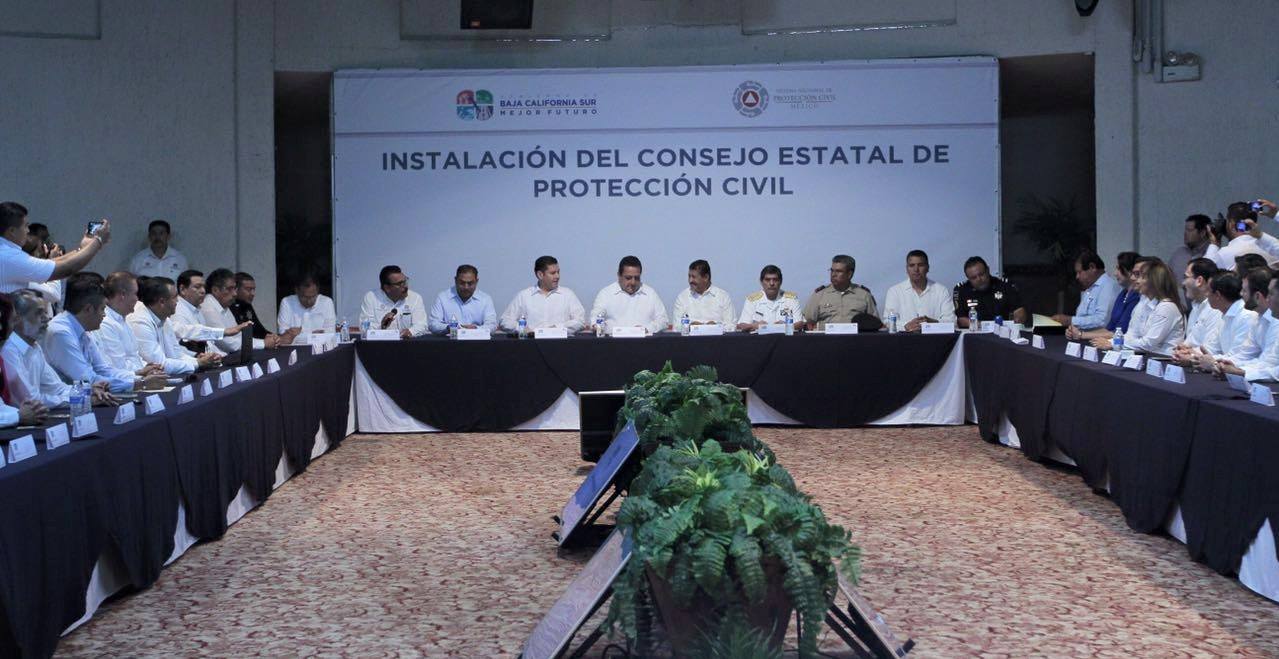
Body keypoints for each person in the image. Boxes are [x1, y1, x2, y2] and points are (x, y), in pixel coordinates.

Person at [42, 275, 167, 393]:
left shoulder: (82, 327)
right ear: (88, 309)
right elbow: (89, 380)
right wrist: (140, 383)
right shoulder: (60, 333)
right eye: (102, 309)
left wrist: (138, 375)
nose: (104, 314)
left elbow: (103, 370)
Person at [2, 289, 115, 407]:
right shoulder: (8, 350)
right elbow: (31, 400)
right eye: (39, 313)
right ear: (17, 319)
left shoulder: (34, 347)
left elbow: (58, 388)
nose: (47, 318)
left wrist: (87, 392)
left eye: (46, 312)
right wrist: (82, 399)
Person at [0, 201, 111, 294]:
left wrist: (82, 249)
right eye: (25, 226)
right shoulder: (8, 256)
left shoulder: (6, 253)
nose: (28, 231)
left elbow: (53, 263)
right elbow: (65, 269)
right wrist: (98, 241)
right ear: (12, 231)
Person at [129, 277, 220, 375]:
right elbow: (159, 365)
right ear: (162, 302)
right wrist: (198, 363)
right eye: (174, 297)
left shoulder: (165, 319)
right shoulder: (140, 322)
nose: (177, 301)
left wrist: (198, 360)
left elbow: (177, 355)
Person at [1090, 261, 1185, 356]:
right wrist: (1111, 342)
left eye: (1142, 277)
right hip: (1146, 355)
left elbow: (1148, 343)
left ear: (1154, 282)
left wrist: (1113, 343)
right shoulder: (1144, 303)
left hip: (1164, 359)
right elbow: (1131, 335)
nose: (1137, 281)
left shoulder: (1167, 307)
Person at [1182, 271, 1260, 371]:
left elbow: (1238, 356)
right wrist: (1189, 353)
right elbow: (1212, 348)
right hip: (1227, 369)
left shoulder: (1246, 315)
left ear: (1217, 295)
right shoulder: (1223, 313)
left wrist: (1196, 358)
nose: (1206, 294)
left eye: (1208, 291)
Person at [94, 271, 166, 378]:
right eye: (135, 294)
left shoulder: (123, 319)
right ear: (122, 295)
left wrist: (149, 367)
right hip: (126, 381)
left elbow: (134, 357)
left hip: (136, 377)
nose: (137, 299)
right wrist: (143, 372)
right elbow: (119, 367)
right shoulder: (105, 323)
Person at [1217, 271, 1279, 381]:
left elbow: (1271, 365)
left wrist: (1240, 372)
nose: (1267, 298)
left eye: (1270, 294)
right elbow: (1249, 355)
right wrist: (1230, 366)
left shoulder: (1275, 322)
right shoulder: (1256, 317)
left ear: (1257, 296)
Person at [499, 256, 586, 332]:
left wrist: (557, 328)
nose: (557, 276)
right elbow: (505, 321)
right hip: (531, 343)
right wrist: (522, 329)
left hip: (561, 343)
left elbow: (580, 321)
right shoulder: (524, 296)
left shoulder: (568, 295)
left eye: (558, 272)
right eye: (553, 273)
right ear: (540, 275)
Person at [200, 268, 280, 351]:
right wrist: (263, 343)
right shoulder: (208, 308)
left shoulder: (223, 305)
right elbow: (229, 344)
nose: (235, 294)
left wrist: (268, 340)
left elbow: (238, 336)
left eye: (235, 288)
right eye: (230, 289)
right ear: (215, 290)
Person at [1069, 252, 1143, 341]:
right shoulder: (1123, 294)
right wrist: (1078, 333)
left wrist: (1081, 334)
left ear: (1130, 271)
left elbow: (1120, 331)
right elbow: (1109, 328)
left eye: (1118, 269)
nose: (1115, 273)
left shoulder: (1136, 296)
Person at [173, 269, 248, 354]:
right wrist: (224, 332)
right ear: (182, 289)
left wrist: (221, 356)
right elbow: (185, 343)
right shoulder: (177, 311)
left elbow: (208, 343)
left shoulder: (196, 308)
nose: (203, 291)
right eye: (197, 287)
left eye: (203, 287)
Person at [589, 256, 668, 334]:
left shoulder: (650, 294)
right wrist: (596, 325)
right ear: (619, 275)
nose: (633, 282)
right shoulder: (606, 294)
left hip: (643, 341)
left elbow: (663, 320)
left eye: (636, 278)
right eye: (628, 278)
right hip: (613, 341)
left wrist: (647, 329)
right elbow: (596, 316)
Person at [881, 250, 956, 332]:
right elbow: (888, 321)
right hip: (904, 338)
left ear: (927, 268)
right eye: (912, 265)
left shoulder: (941, 291)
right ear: (907, 269)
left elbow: (952, 322)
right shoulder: (894, 291)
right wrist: (906, 326)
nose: (916, 269)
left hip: (934, 338)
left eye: (920, 265)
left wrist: (934, 323)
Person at [802, 254, 879, 330]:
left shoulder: (864, 295)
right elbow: (807, 323)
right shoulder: (819, 295)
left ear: (849, 274)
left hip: (855, 337)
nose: (833, 274)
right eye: (832, 270)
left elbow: (875, 323)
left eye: (838, 271)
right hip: (826, 337)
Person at [1054, 250, 1121, 331]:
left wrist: (1070, 320)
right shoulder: (1090, 288)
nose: (1077, 277)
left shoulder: (1108, 286)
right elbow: (1082, 316)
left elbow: (1102, 321)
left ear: (1092, 267)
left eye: (1079, 272)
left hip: (1098, 338)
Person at [952, 256, 1026, 328]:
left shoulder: (1005, 285)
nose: (979, 279)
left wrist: (1018, 319)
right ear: (968, 278)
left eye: (981, 274)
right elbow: (960, 319)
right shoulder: (961, 290)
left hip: (1003, 330)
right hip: (975, 331)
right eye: (973, 278)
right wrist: (985, 326)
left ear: (988, 270)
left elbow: (1019, 310)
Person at [1171, 258, 1223, 358]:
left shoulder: (1216, 309)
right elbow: (1190, 343)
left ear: (1199, 280)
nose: (1183, 283)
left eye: (1186, 277)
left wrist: (1188, 353)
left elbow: (1210, 350)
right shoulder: (1195, 306)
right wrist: (1183, 349)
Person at [359, 265, 429, 338]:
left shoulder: (415, 298)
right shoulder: (371, 298)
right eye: (400, 284)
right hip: (380, 343)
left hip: (406, 343)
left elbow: (422, 325)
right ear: (387, 288)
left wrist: (410, 332)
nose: (405, 286)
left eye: (405, 281)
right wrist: (381, 327)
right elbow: (364, 329)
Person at [1205, 202, 1279, 270]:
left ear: (1231, 224)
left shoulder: (1223, 254)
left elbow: (1206, 271)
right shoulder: (1271, 248)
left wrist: (1214, 244)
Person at [428, 264, 497, 334]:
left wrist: (476, 328)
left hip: (477, 339)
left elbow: (492, 325)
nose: (466, 287)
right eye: (462, 283)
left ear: (477, 281)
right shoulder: (443, 298)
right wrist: (449, 327)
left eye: (470, 283)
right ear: (455, 280)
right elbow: (433, 324)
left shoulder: (485, 299)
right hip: (450, 339)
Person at [736, 265, 804, 331]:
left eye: (775, 280)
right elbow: (741, 325)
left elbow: (800, 324)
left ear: (781, 282)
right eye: (767, 280)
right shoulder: (752, 300)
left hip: (784, 337)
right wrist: (755, 326)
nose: (771, 283)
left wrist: (785, 326)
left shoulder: (791, 299)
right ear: (761, 282)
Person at [671, 259, 735, 327]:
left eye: (693, 277)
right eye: (689, 276)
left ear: (706, 277)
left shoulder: (723, 297)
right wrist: (691, 327)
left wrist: (715, 327)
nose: (690, 280)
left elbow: (731, 326)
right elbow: (676, 327)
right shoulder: (682, 298)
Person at [277, 273, 337, 341]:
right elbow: (283, 334)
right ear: (297, 291)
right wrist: (313, 335)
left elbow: (331, 334)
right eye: (305, 297)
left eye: (313, 297)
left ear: (317, 291)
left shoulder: (326, 302)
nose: (309, 301)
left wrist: (299, 333)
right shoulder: (287, 302)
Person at [1169, 214, 1214, 298]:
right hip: (1178, 301)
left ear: (1202, 233)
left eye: (1189, 230)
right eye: (1185, 230)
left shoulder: (1212, 253)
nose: (1185, 234)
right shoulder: (1178, 254)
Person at [229, 272, 270, 339]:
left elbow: (260, 331)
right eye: (248, 289)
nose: (253, 293)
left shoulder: (247, 305)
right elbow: (238, 337)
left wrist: (275, 337)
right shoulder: (228, 307)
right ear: (236, 289)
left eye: (254, 289)